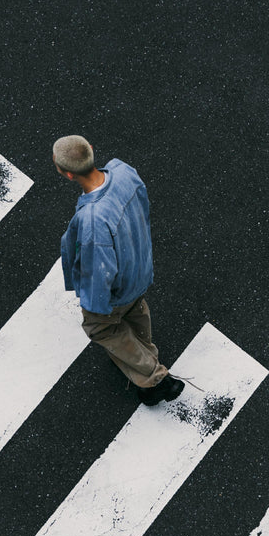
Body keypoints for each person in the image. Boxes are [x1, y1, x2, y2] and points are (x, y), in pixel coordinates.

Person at [53, 135, 184, 406]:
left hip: (118, 285)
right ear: (91, 148)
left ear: (66, 174)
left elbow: (98, 272)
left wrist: (95, 307)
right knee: (136, 311)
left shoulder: (91, 219)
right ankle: (146, 364)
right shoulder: (123, 171)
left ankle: (155, 376)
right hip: (138, 264)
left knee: (101, 328)